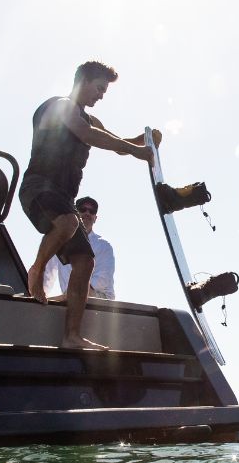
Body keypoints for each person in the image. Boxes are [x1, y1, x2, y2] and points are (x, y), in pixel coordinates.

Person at [20, 60, 157, 349]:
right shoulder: (59, 106)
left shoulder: (91, 120)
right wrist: (139, 151)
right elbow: (85, 135)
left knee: (85, 260)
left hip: (63, 198)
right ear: (82, 81)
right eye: (99, 89)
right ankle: (37, 269)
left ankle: (71, 336)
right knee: (69, 222)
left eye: (105, 92)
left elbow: (116, 143)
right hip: (38, 188)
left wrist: (143, 144)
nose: (101, 96)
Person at [43, 196, 115, 300]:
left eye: (92, 211)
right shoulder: (61, 243)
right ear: (75, 214)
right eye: (82, 209)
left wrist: (72, 291)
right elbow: (47, 273)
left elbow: (102, 280)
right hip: (69, 296)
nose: (87, 213)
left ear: (95, 218)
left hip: (100, 299)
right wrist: (39, 295)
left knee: (74, 294)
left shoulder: (104, 245)